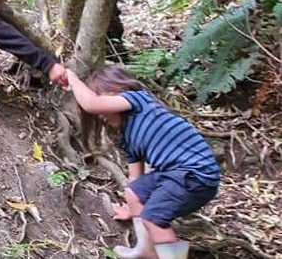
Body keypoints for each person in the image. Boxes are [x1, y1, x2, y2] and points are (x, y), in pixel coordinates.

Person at [66, 65, 220, 259]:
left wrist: (71, 77)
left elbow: (91, 104)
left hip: (194, 174)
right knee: (134, 192)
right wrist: (131, 209)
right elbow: (135, 177)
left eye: (104, 100)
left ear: (117, 92)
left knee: (154, 218)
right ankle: (146, 250)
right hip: (178, 174)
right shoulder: (129, 137)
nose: (100, 114)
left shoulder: (138, 100)